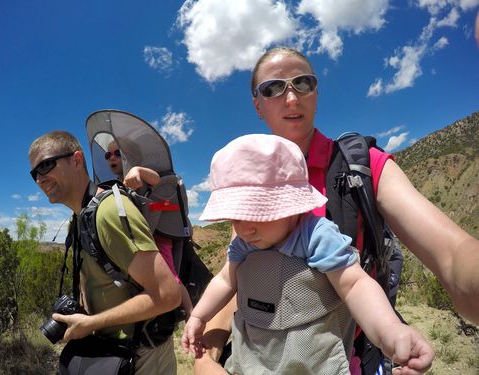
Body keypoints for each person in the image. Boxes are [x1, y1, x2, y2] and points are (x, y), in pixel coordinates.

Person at [195, 47, 479, 375]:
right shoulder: (247, 192)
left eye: (303, 83)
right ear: (257, 105)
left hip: (341, 356)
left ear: (316, 93)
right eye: (273, 88)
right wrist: (207, 354)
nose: (291, 97)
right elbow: (240, 275)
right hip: (258, 355)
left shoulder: (364, 167)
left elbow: (454, 253)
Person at [182, 134, 434, 374]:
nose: (244, 227)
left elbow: (355, 284)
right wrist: (199, 315)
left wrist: (388, 329)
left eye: (257, 212)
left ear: (292, 205)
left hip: (315, 363)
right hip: (251, 362)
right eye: (235, 217)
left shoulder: (316, 237)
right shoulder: (245, 244)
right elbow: (226, 280)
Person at [28, 131, 181, 374]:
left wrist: (91, 323)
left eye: (46, 165)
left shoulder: (108, 212)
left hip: (142, 357)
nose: (39, 179)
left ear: (76, 159)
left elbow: (167, 295)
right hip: (112, 352)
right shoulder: (79, 218)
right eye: (34, 173)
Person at [105, 140, 194, 320]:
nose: (111, 158)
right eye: (108, 155)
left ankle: (191, 315)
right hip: (145, 236)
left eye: (117, 153)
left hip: (159, 236)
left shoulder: (138, 173)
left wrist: (137, 170)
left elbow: (156, 179)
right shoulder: (118, 184)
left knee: (170, 277)